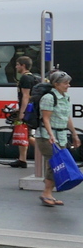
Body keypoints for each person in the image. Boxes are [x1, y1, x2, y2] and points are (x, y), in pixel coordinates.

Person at [33, 70, 80, 206]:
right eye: (65, 83)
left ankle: (48, 193)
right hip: (47, 137)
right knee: (56, 165)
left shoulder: (65, 97)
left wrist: (74, 135)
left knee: (58, 165)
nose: (68, 85)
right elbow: (46, 119)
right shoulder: (48, 97)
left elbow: (67, 118)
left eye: (68, 83)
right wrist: (51, 135)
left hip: (62, 136)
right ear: (56, 84)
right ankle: (46, 193)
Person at [9, 55, 40, 168]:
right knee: (24, 134)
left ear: (23, 66)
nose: (16, 67)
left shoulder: (25, 78)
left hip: (28, 111)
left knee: (25, 134)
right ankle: (22, 160)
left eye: (17, 65)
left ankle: (48, 152)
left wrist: (22, 113)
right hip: (30, 109)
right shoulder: (32, 77)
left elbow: (26, 96)